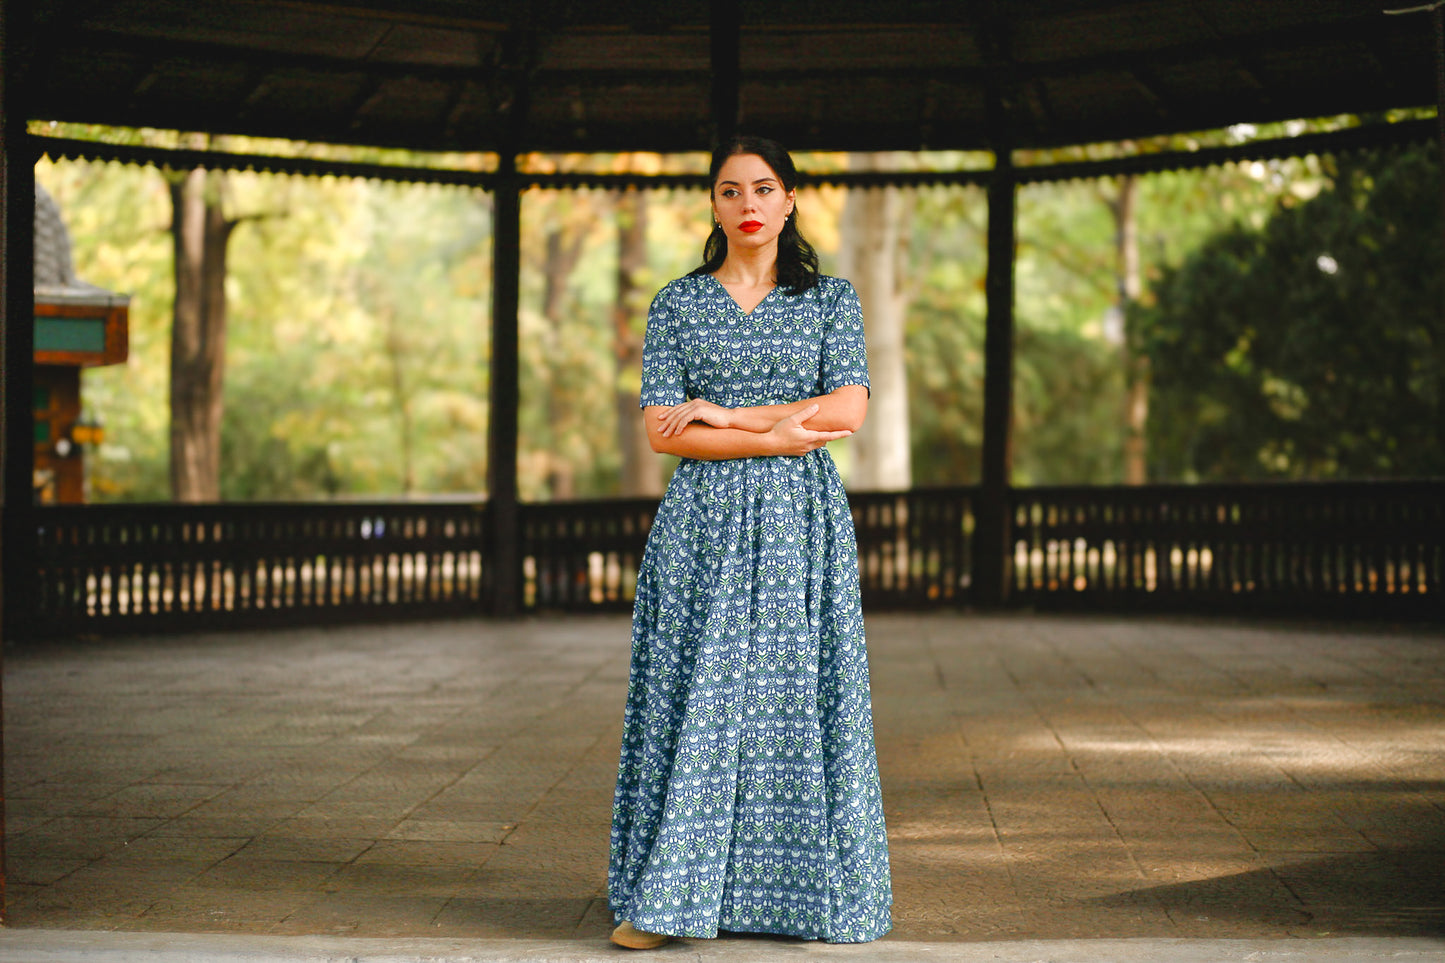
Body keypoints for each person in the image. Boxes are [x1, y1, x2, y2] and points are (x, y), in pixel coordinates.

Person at [607, 135, 892, 950]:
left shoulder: (830, 300)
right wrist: (774, 434)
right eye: (730, 191)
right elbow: (664, 432)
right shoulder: (676, 304)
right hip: (701, 525)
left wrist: (730, 416)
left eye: (764, 188)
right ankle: (666, 899)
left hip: (800, 521)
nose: (748, 205)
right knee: (696, 694)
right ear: (713, 204)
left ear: (790, 200)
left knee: (789, 695)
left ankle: (796, 896)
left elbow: (845, 410)